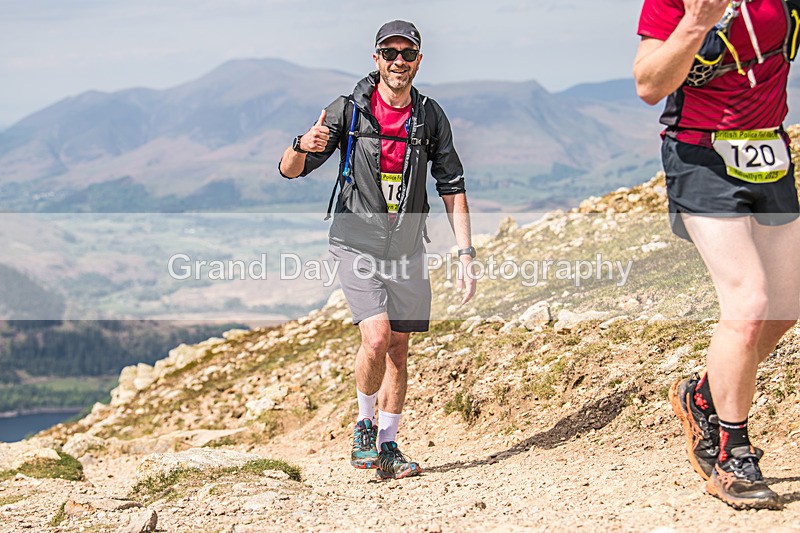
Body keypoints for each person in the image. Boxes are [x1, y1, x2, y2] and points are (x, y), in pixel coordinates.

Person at [278, 20, 477, 480]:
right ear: (376, 59)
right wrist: (300, 144)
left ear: (419, 61)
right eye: (390, 53)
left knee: (400, 349)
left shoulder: (430, 117)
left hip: (407, 245)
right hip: (356, 242)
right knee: (377, 337)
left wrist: (466, 253)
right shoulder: (349, 112)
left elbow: (452, 185)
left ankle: (387, 446)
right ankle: (364, 425)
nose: (398, 61)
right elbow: (290, 171)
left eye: (407, 54)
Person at [634, 0, 800, 510]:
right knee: (748, 303)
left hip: (767, 151)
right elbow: (648, 84)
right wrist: (696, 23)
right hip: (699, 154)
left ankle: (701, 397)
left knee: (785, 306)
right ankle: (732, 457)